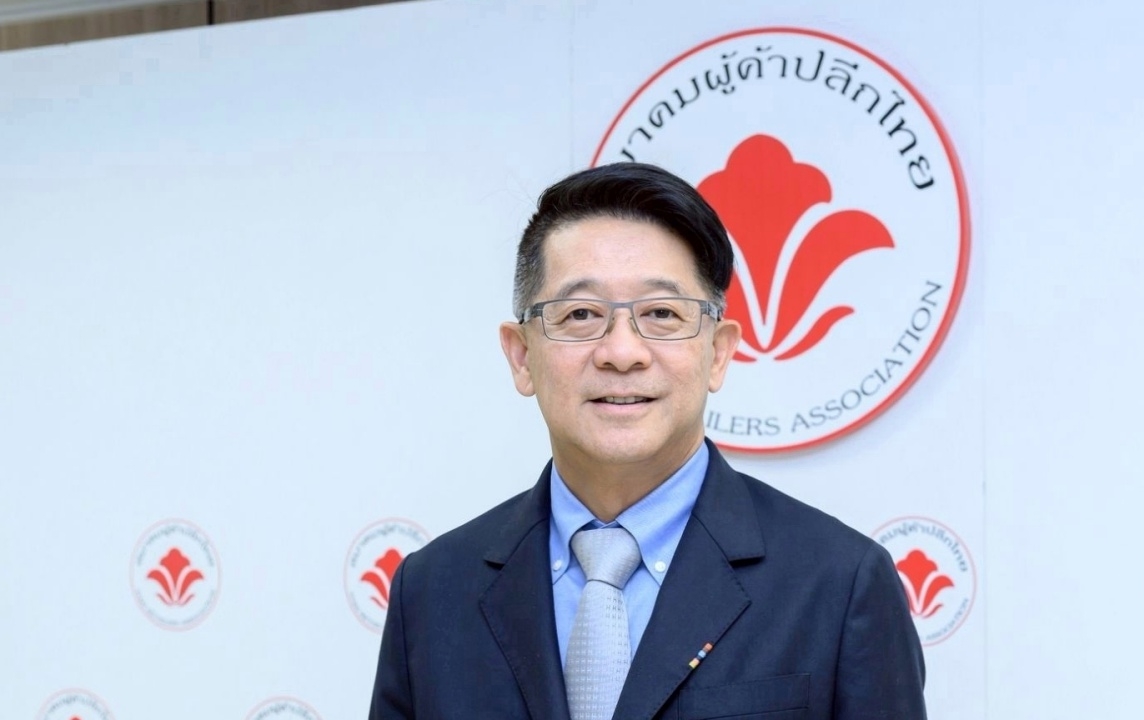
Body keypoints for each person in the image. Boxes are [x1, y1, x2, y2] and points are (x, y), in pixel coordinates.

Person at [369, 163, 926, 719]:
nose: (621, 353)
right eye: (580, 314)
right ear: (521, 356)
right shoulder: (432, 592)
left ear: (719, 352)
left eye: (661, 313)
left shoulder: (839, 583)